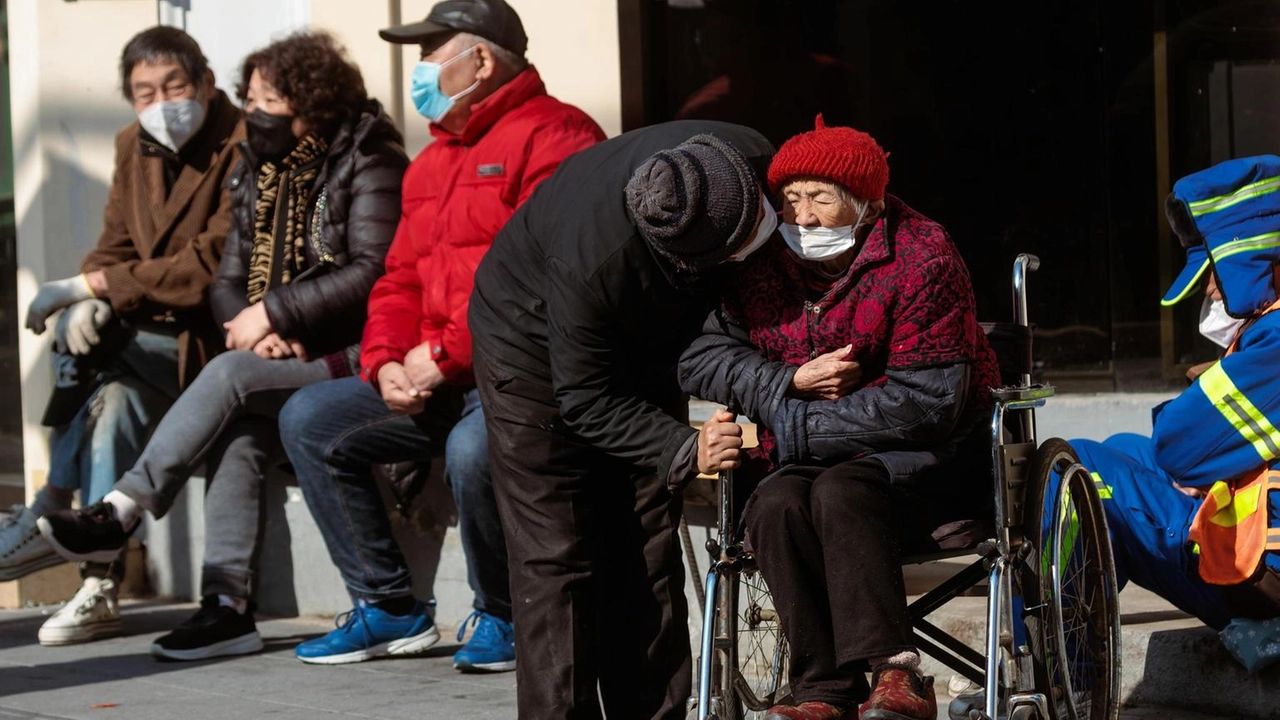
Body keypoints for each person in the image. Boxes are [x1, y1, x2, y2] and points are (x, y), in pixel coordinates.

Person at [37, 31, 407, 661]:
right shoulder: (258, 171)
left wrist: (276, 314)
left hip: (352, 354)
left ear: (311, 105)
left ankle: (118, 512)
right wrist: (252, 323)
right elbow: (228, 279)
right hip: (275, 353)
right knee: (236, 431)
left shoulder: (369, 159)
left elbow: (372, 270)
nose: (254, 115)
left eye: (268, 101)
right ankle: (227, 608)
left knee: (229, 378)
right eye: (252, 98)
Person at [276, 0, 604, 670]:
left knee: (470, 449)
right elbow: (397, 278)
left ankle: (505, 613)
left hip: (523, 378)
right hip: (438, 375)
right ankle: (388, 606)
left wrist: (447, 356)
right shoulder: (432, 160)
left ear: (479, 61)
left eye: (431, 52)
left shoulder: (559, 136)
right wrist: (386, 361)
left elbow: (549, 283)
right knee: (310, 415)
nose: (420, 69)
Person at [679, 117, 999, 720]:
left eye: (821, 199)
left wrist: (792, 424)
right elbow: (702, 356)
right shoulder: (761, 261)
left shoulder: (923, 256)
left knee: (841, 491)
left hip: (930, 460)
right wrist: (786, 382)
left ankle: (896, 675)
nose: (801, 216)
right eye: (791, 199)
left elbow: (927, 402)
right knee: (774, 506)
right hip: (804, 456)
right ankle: (822, 689)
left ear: (869, 204)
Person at [468, 120, 776, 719]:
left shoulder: (754, 154)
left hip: (640, 343)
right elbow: (585, 397)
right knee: (559, 557)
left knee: (647, 543)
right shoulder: (594, 265)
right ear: (679, 261)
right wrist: (684, 448)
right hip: (528, 349)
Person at [0, 26, 242, 645]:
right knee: (111, 401)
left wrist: (93, 290)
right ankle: (100, 584)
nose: (161, 102)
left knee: (94, 344)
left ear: (207, 84)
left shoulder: (242, 143)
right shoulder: (131, 145)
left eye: (175, 86)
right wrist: (91, 286)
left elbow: (206, 265)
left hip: (215, 343)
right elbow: (115, 242)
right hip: (148, 344)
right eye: (143, 92)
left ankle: (47, 504)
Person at [1068, 156, 1280, 636]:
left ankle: (1054, 675)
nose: (1207, 290)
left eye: (1214, 271)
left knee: (1080, 467)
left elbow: (1178, 445)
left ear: (1250, 262)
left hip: (1264, 580)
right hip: (1265, 553)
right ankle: (1074, 648)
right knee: (1124, 447)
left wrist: (1206, 398)